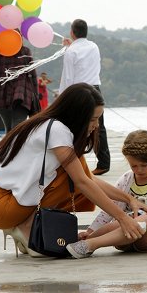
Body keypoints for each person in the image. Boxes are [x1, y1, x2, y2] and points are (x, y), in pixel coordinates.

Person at [0, 83, 147, 258]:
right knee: (75, 174)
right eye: (92, 119)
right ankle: (26, 226)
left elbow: (89, 178)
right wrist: (123, 218)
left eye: (98, 119)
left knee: (77, 168)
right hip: (1, 204)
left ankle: (28, 226)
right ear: (76, 115)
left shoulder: (49, 126)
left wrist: (129, 199)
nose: (96, 125)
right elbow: (83, 181)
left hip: (0, 201)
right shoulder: (56, 130)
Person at [67, 129, 147, 258]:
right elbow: (111, 207)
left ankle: (92, 244)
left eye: (144, 165)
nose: (139, 170)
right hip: (123, 238)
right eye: (134, 166)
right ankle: (86, 240)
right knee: (123, 220)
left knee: (145, 218)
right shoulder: (127, 178)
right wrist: (91, 230)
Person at [60, 19, 110, 176]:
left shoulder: (71, 51)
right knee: (99, 127)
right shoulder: (93, 46)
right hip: (95, 88)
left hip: (80, 91)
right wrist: (71, 45)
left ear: (72, 32)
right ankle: (104, 162)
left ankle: (75, 161)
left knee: (75, 127)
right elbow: (87, 61)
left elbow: (68, 77)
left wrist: (63, 98)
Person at [0, 45, 37, 133]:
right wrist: (36, 95)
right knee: (18, 126)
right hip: (22, 92)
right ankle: (16, 145)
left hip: (1, 94)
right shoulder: (25, 51)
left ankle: (9, 145)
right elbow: (32, 75)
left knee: (8, 128)